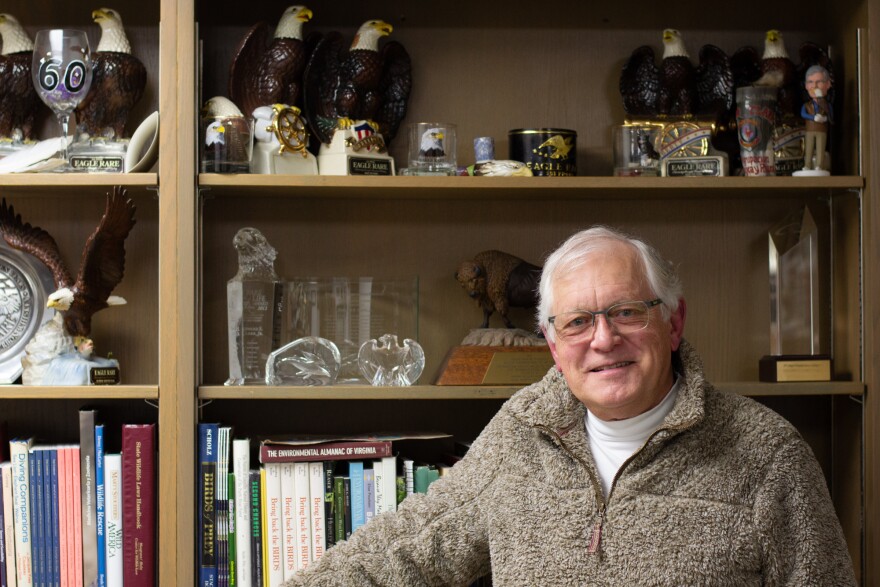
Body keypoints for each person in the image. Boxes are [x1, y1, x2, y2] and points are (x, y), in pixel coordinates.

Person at [284, 226, 856, 586]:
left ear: (673, 322)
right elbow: (406, 547)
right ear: (553, 346)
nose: (603, 340)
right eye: (578, 322)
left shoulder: (767, 454)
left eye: (628, 312)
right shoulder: (521, 431)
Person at [801, 64, 833, 172]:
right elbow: (803, 114)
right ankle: (807, 165)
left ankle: (819, 165)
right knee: (808, 149)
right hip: (810, 130)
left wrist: (825, 119)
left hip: (822, 131)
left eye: (819, 82)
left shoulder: (826, 105)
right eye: (810, 82)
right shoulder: (807, 105)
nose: (814, 86)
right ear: (806, 85)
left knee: (820, 149)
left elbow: (831, 117)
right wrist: (813, 117)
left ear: (828, 84)